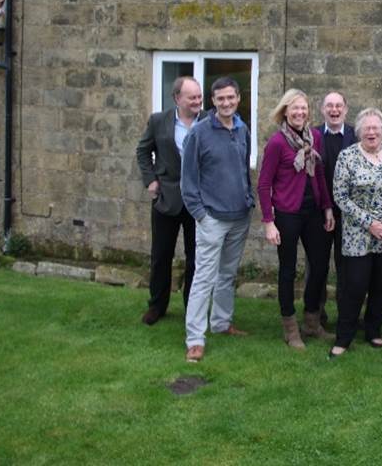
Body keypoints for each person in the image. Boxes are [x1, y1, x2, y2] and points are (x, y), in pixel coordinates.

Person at [181, 76, 255, 363]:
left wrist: (248, 200)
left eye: (231, 98)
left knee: (227, 275)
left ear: (238, 99)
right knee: (203, 278)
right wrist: (200, 214)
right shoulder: (199, 133)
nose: (226, 103)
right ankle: (195, 339)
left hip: (239, 217)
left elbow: (243, 169)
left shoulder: (242, 128)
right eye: (220, 98)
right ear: (213, 101)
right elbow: (188, 181)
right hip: (212, 218)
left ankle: (222, 323)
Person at [328, 108, 382, 358]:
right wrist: (370, 223)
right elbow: (340, 196)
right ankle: (344, 337)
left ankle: (373, 330)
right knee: (354, 286)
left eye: (376, 128)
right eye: (367, 128)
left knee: (381, 285)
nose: (371, 132)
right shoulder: (348, 157)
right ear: (360, 132)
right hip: (358, 234)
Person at [258, 89, 336, 349]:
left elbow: (321, 175)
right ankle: (290, 328)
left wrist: (326, 208)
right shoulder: (277, 143)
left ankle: (312, 323)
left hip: (314, 212)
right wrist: (269, 222)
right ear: (285, 112)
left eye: (303, 108)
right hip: (287, 214)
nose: (299, 113)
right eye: (294, 108)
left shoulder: (313, 137)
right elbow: (264, 184)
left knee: (319, 267)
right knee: (288, 270)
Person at [135, 76, 204, 326]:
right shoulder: (158, 121)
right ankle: (157, 305)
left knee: (196, 257)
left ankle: (192, 308)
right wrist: (150, 181)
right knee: (161, 255)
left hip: (198, 202)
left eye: (199, 96)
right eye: (192, 97)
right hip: (166, 198)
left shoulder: (208, 121)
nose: (197, 101)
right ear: (177, 98)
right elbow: (142, 151)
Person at [315, 91, 357, 324]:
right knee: (318, 267)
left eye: (338, 105)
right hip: (318, 214)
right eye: (329, 106)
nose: (334, 110)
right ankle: (316, 315)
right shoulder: (312, 136)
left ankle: (346, 316)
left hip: (349, 215)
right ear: (322, 110)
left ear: (345, 109)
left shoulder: (356, 135)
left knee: (347, 269)